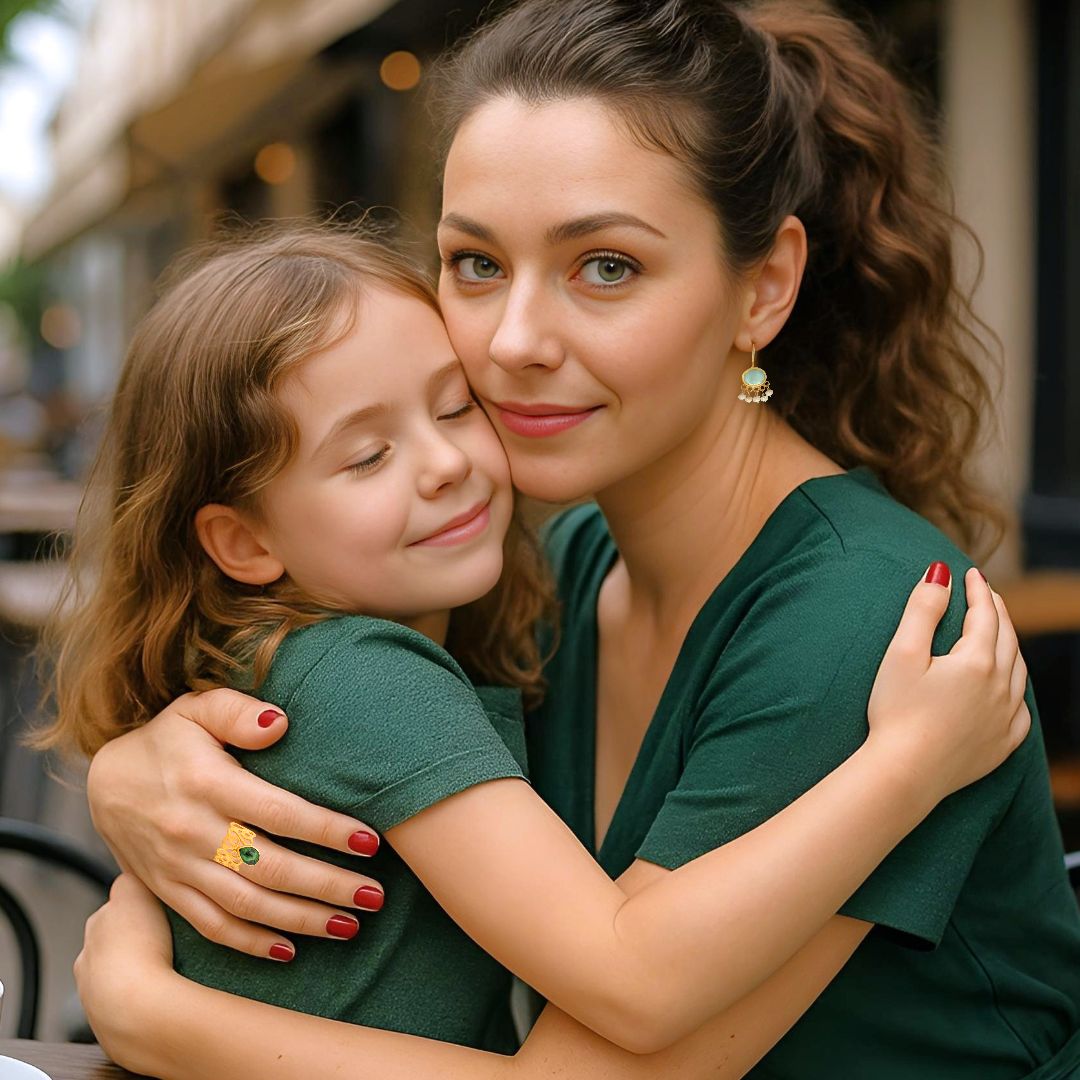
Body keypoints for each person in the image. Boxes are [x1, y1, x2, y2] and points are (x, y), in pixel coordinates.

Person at [71, 1, 1080, 1077]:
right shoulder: (550, 564)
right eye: (475, 264)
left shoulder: (868, 620)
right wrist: (135, 781)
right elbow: (358, 741)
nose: (513, 342)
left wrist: (147, 1012)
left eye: (606, 267)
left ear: (764, 287)